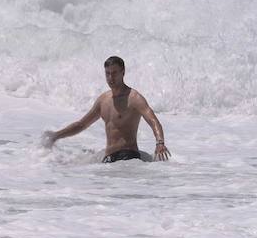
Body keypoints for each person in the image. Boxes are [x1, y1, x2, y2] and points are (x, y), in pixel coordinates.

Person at [43, 56, 171, 162]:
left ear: (123, 72)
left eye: (114, 73)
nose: (111, 78)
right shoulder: (103, 100)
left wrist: (160, 142)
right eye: (107, 74)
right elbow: (81, 124)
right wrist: (56, 136)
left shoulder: (134, 98)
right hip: (109, 159)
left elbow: (153, 121)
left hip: (128, 157)